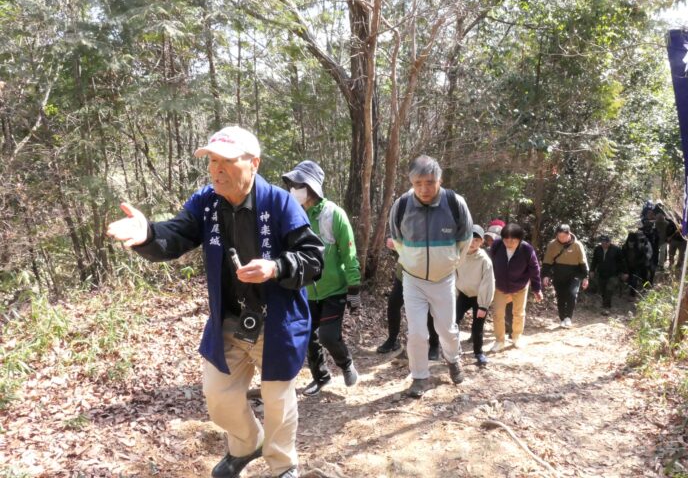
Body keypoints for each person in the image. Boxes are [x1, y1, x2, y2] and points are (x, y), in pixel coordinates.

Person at [107, 126, 324, 478]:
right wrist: (148, 235)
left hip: (277, 322)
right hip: (230, 319)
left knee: (277, 401)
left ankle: (284, 466)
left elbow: (313, 259)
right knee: (218, 397)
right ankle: (247, 443)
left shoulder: (280, 204)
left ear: (254, 163)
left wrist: (275, 266)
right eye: (211, 161)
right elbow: (175, 235)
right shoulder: (206, 202)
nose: (216, 170)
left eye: (226, 161)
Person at [389, 155, 473, 399]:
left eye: (429, 182)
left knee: (446, 329)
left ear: (440, 180)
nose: (424, 189)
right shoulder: (402, 205)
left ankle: (453, 359)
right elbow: (397, 239)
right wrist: (409, 261)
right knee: (416, 332)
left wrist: (452, 263)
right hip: (413, 280)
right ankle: (419, 376)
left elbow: (465, 239)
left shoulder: (455, 203)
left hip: (444, 278)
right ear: (411, 182)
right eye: (418, 183)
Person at [281, 161, 360, 397]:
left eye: (298, 184)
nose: (293, 189)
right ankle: (321, 377)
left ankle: (345, 364)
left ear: (311, 187)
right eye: (292, 184)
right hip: (305, 289)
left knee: (327, 335)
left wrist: (354, 287)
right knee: (306, 336)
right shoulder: (292, 214)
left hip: (334, 290)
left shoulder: (333, 214)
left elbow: (349, 253)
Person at [375, 242, 440, 358]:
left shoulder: (431, 226)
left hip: (426, 275)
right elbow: (400, 241)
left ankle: (434, 345)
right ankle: (393, 340)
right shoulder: (407, 224)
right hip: (404, 273)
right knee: (393, 303)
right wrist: (395, 244)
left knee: (430, 309)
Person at [488, 223, 543, 350]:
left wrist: (537, 289)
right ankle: (499, 340)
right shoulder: (496, 246)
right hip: (500, 286)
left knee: (518, 313)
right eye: (506, 239)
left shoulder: (527, 249)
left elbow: (534, 269)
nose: (509, 243)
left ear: (519, 239)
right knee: (497, 313)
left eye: (513, 240)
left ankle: (516, 337)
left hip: (520, 285)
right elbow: (489, 265)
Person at [455, 225, 496, 365]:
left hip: (479, 296)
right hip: (464, 294)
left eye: (477, 240)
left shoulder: (484, 260)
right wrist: (453, 295)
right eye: (470, 238)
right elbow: (453, 276)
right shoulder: (458, 254)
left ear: (482, 242)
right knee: (453, 321)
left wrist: (483, 306)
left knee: (477, 325)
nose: (473, 242)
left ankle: (478, 353)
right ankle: (454, 351)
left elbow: (488, 283)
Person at [541, 224, 589, 328]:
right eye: (559, 236)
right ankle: (562, 318)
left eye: (564, 236)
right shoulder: (552, 245)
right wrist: (546, 275)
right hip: (559, 273)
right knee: (561, 296)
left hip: (575, 273)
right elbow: (547, 261)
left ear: (569, 234)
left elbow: (583, 262)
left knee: (572, 294)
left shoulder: (577, 245)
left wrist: (586, 277)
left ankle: (568, 318)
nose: (561, 239)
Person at [590, 235, 626, 315]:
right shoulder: (597, 249)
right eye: (602, 242)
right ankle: (605, 303)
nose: (603, 244)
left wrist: (625, 272)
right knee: (602, 289)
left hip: (613, 274)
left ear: (609, 242)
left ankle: (606, 307)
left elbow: (622, 262)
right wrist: (592, 270)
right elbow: (594, 260)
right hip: (602, 273)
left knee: (609, 289)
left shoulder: (616, 250)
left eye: (605, 242)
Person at [623, 230, 653, 297]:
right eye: (629, 242)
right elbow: (623, 257)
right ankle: (631, 292)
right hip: (628, 266)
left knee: (641, 278)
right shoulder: (624, 247)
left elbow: (645, 257)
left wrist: (639, 263)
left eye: (632, 242)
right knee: (631, 279)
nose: (631, 244)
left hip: (639, 266)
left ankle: (640, 291)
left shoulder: (640, 248)